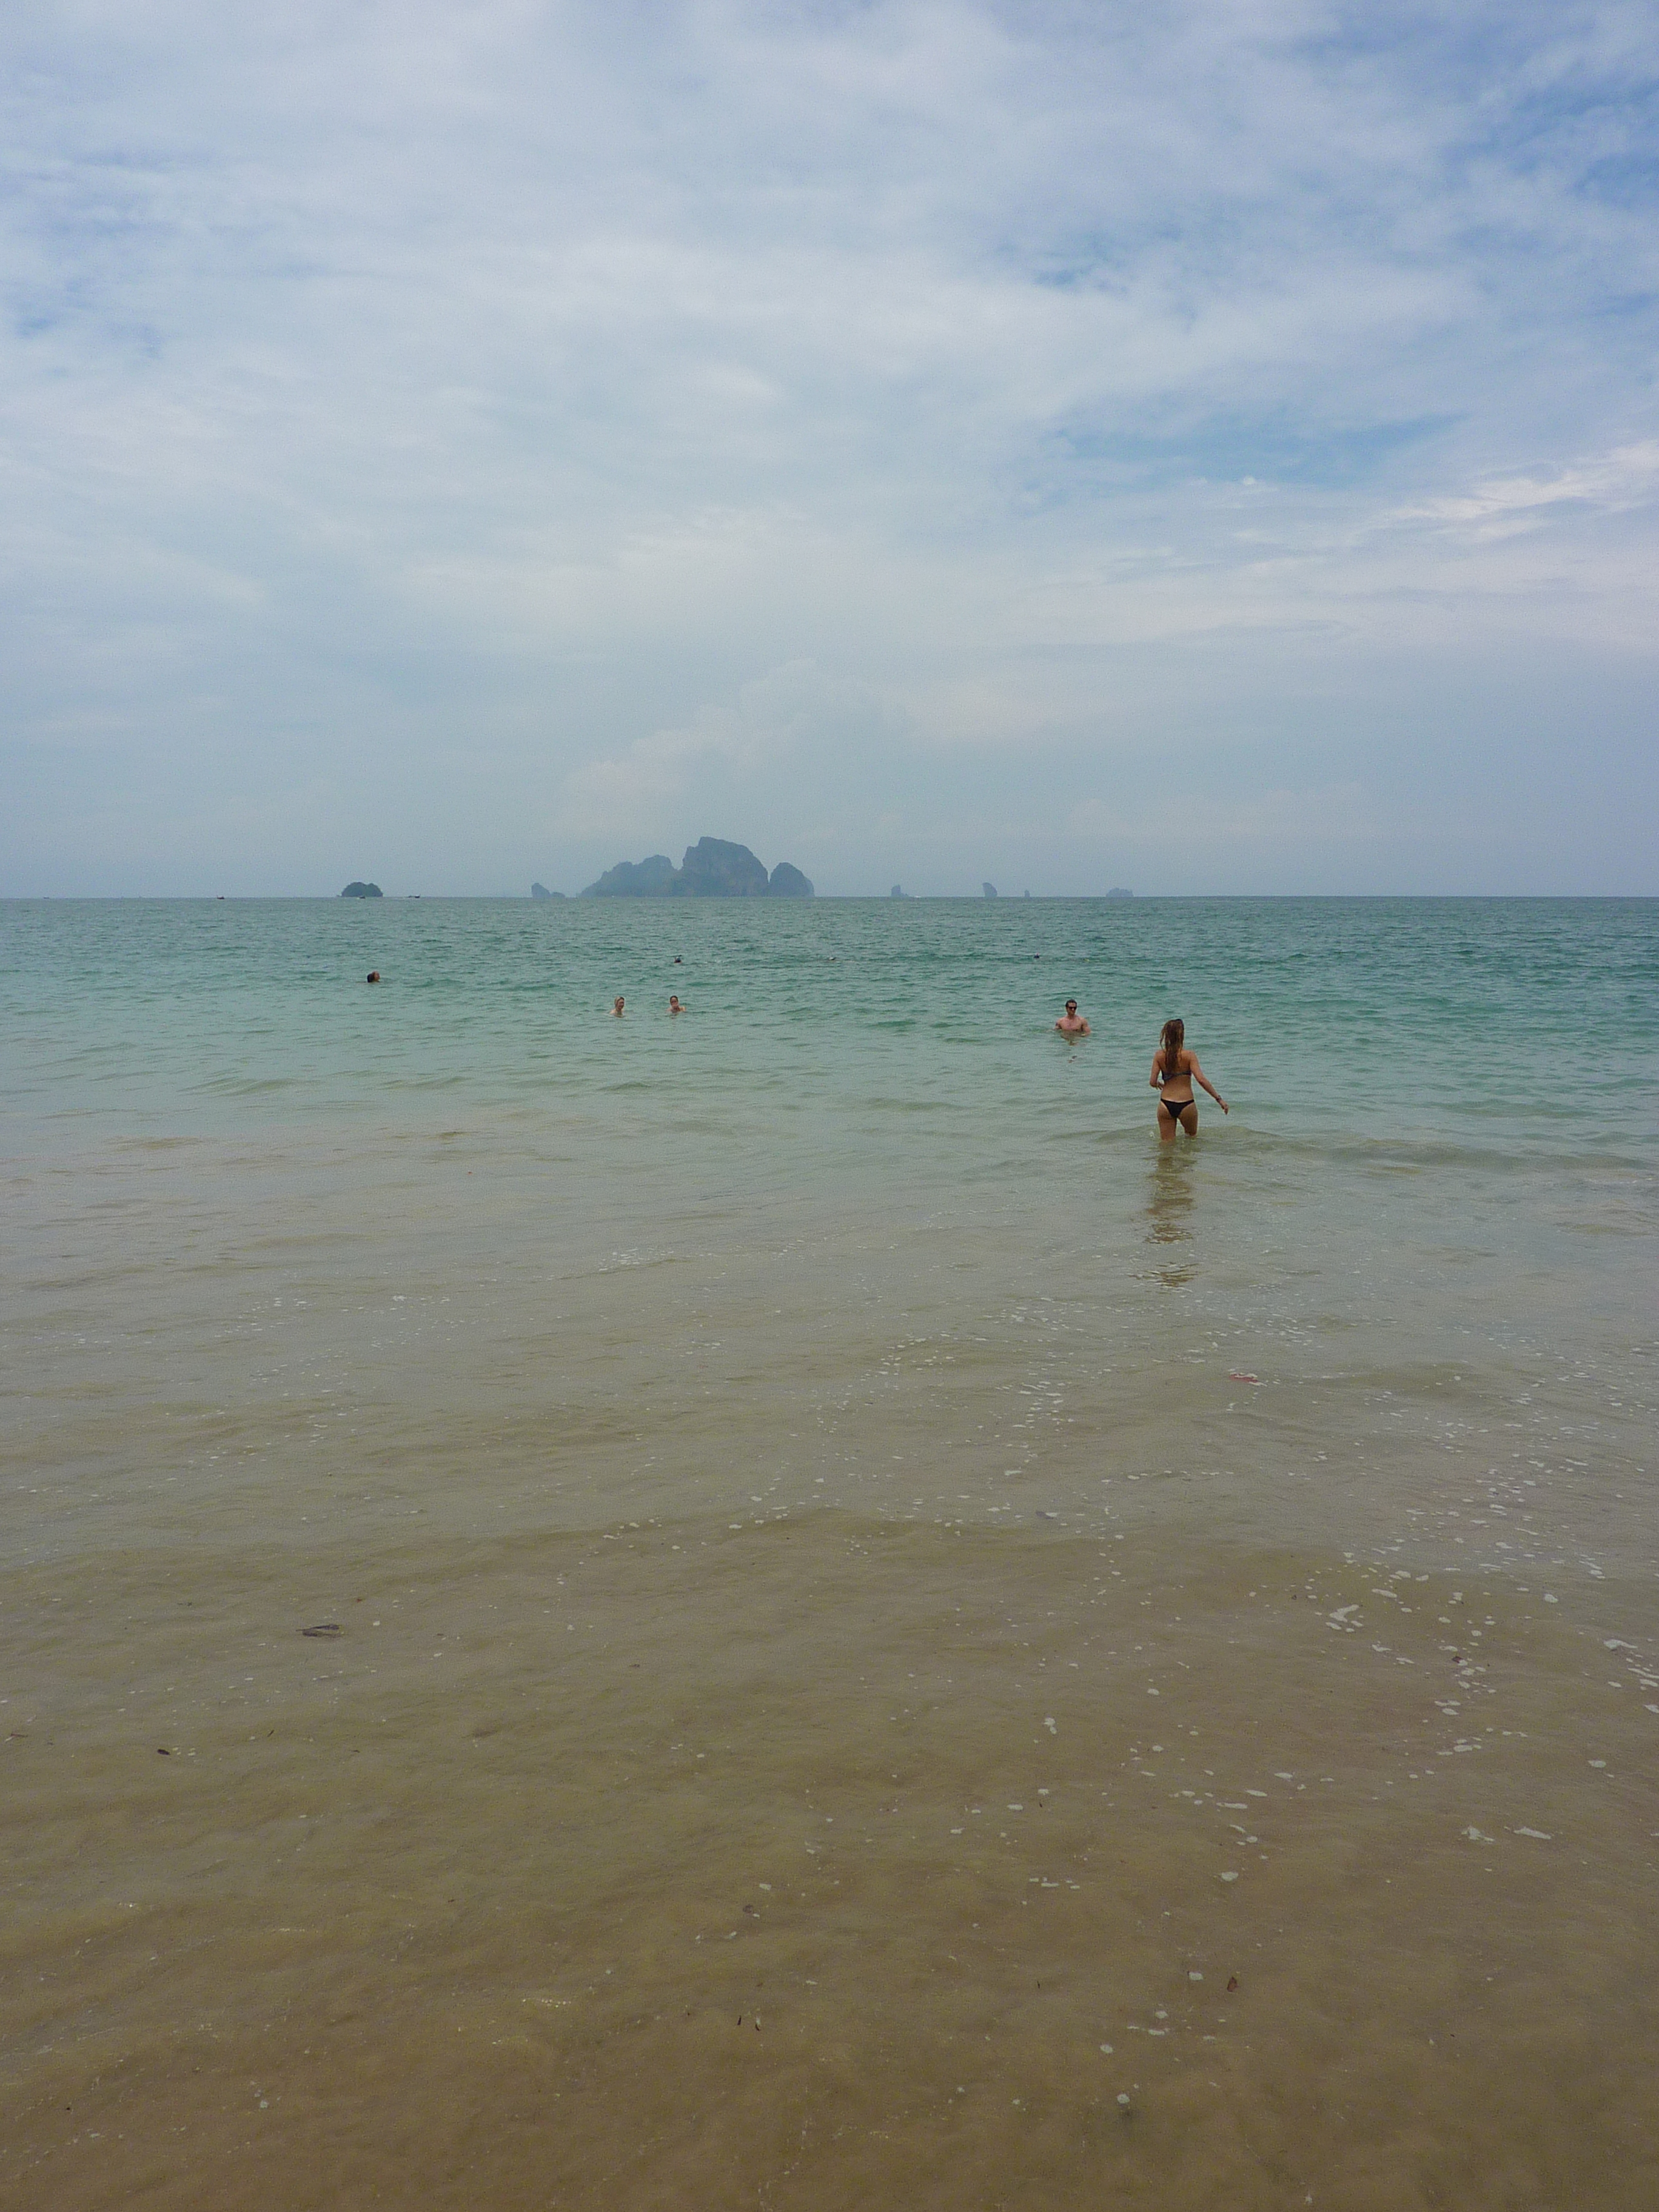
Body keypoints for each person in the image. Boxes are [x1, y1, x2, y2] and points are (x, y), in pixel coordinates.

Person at [1150, 1016, 1227, 1139]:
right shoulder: (1189, 1055)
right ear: (1181, 1036)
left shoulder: (1159, 1056)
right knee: (1191, 1140)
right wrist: (1219, 1099)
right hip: (1186, 1104)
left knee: (1166, 1144)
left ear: (1167, 1036)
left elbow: (1152, 1082)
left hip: (1165, 1104)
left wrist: (1158, 1084)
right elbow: (1201, 1080)